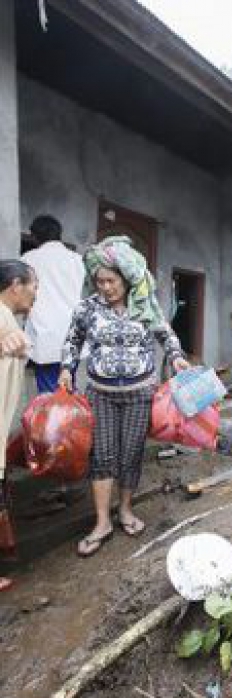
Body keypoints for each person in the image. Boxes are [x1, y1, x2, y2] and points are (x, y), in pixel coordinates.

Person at [59, 237, 190, 557]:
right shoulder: (87, 308)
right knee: (102, 455)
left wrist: (176, 357)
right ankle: (102, 521)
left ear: (126, 279)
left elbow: (166, 335)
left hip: (139, 391)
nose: (104, 287)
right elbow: (72, 341)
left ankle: (126, 510)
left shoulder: (144, 304)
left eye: (111, 281)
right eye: (99, 281)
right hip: (101, 393)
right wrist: (67, 369)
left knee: (130, 454)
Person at [0, 260, 38, 591]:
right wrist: (8, 340)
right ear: (16, 284)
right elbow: (8, 338)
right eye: (34, 286)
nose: (35, 294)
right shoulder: (2, 317)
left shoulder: (9, 318)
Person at [23, 215, 85, 393]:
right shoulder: (77, 260)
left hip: (44, 335)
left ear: (35, 236)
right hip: (73, 335)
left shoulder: (29, 259)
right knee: (68, 390)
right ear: (59, 234)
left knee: (49, 396)